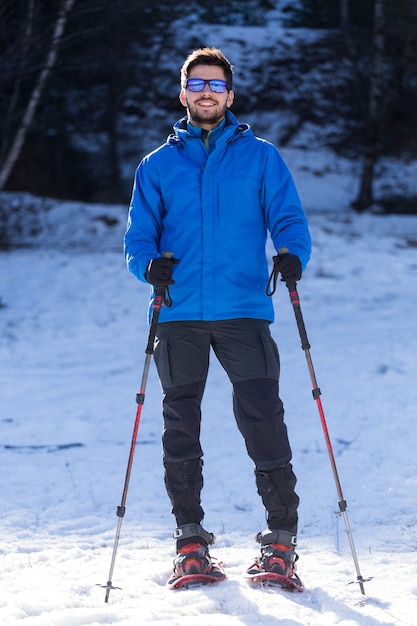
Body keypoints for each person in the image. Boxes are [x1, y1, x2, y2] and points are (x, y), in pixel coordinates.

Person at [124, 47, 311, 583]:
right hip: (178, 312)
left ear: (230, 95)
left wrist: (293, 253)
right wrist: (147, 268)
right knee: (180, 423)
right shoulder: (157, 166)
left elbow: (288, 218)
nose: (207, 92)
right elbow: (137, 239)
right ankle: (190, 542)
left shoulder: (261, 157)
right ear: (184, 93)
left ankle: (280, 542)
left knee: (263, 419)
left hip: (244, 310)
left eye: (216, 85)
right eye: (197, 84)